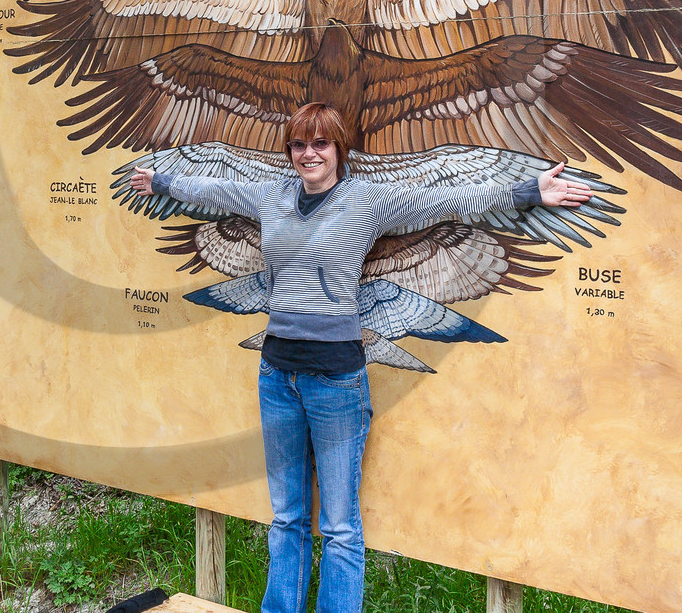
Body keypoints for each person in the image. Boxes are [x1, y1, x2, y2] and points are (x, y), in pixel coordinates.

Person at [127, 102, 592, 613]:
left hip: (336, 382)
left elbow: (449, 198)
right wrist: (163, 182)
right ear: (290, 152)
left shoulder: (367, 203)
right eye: (300, 145)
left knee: (340, 526)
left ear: (338, 149)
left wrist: (530, 191)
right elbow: (214, 191)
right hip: (277, 375)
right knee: (286, 517)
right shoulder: (271, 196)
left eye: (320, 144)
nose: (310, 154)